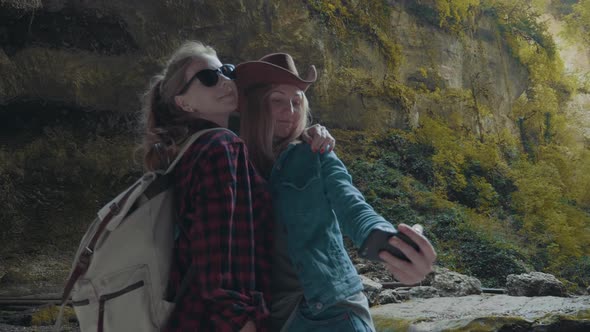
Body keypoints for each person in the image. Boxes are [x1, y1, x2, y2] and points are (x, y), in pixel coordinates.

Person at [139, 42, 334, 332]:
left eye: (226, 71)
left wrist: (305, 136)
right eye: (208, 78)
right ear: (184, 102)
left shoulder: (188, 150)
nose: (224, 81)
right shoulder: (221, 146)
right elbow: (218, 252)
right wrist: (241, 320)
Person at [236, 53, 437, 331]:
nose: (291, 111)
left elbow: (352, 204)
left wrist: (390, 244)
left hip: (331, 310)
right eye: (278, 100)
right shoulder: (233, 162)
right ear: (257, 106)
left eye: (296, 101)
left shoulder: (316, 154)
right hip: (271, 319)